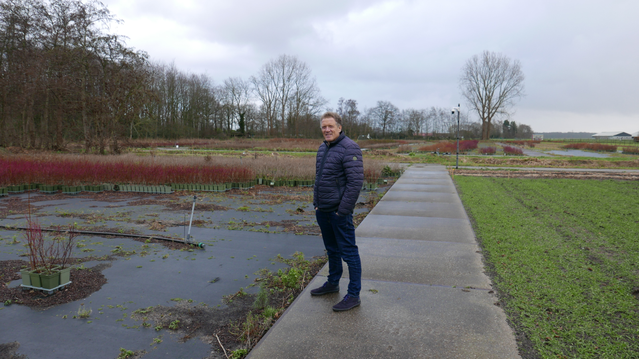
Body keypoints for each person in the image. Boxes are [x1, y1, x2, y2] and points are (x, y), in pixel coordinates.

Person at [311, 111, 364, 312]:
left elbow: (355, 183)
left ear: (339, 127)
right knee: (332, 250)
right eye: (324, 127)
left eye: (330, 126)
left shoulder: (350, 148)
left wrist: (342, 211)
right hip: (323, 210)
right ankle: (333, 283)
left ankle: (353, 294)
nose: (327, 130)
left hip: (338, 213)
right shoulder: (323, 148)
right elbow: (319, 179)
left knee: (349, 253)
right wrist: (316, 203)